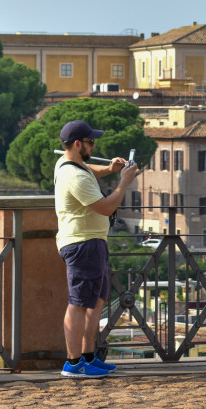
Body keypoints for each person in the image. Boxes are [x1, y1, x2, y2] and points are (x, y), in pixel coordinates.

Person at [55, 120, 138, 379]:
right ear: (78, 144)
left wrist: (110, 169)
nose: (95, 144)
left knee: (95, 301)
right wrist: (123, 182)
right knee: (79, 303)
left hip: (92, 242)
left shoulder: (68, 164)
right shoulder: (74, 176)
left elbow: (88, 168)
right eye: (91, 142)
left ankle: (89, 357)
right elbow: (106, 207)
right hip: (83, 244)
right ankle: (73, 363)